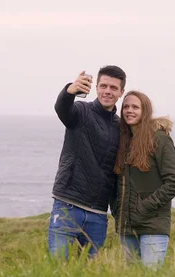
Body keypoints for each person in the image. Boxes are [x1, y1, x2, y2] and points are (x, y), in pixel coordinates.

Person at [48, 65, 127, 259]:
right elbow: (62, 108)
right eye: (104, 86)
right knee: (58, 267)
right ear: (97, 87)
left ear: (121, 92)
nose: (107, 91)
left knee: (90, 274)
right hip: (67, 205)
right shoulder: (81, 111)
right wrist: (69, 91)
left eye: (113, 88)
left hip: (98, 214)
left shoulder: (121, 127)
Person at [112, 91, 175, 268]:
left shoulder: (159, 139)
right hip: (126, 228)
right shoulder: (124, 142)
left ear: (146, 111)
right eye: (126, 107)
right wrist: (116, 209)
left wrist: (144, 207)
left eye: (135, 107)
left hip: (153, 226)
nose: (130, 110)